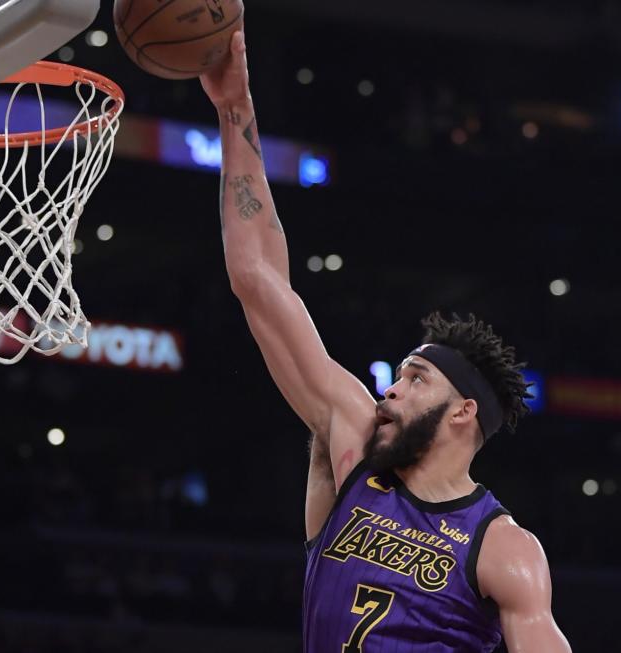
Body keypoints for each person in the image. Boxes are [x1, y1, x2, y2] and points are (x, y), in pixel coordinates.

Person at [200, 29, 572, 653]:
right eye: (400, 374)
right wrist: (234, 108)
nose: (392, 389)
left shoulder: (503, 547)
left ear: (464, 410)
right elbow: (257, 279)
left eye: (417, 379)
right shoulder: (355, 444)